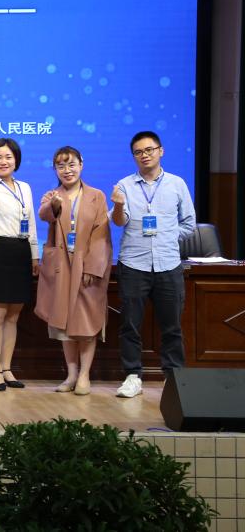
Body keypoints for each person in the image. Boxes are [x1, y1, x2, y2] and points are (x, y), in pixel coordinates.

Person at [111, 131, 196, 399]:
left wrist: (168, 236)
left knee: (172, 327)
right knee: (130, 325)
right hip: (133, 264)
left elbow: (189, 223)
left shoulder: (177, 184)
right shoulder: (124, 185)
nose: (144, 155)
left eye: (149, 150)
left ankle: (174, 378)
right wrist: (117, 206)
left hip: (168, 264)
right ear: (134, 156)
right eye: (138, 152)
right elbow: (119, 221)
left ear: (161, 151)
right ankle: (132, 376)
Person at [34, 146, 112, 395]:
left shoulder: (96, 196)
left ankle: (85, 375)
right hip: (61, 268)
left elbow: (101, 234)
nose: (67, 170)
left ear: (81, 164)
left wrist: (93, 267)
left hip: (86, 266)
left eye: (71, 164)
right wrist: (53, 205)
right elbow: (43, 215)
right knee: (65, 325)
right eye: (61, 166)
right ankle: (71, 374)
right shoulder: (52, 195)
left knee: (86, 322)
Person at [0, 138, 38, 391]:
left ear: (16, 160)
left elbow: (31, 222)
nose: (4, 161)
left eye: (8, 157)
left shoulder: (25, 187)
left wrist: (34, 255)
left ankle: (7, 368)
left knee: (14, 315)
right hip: (0, 250)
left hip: (21, 251)